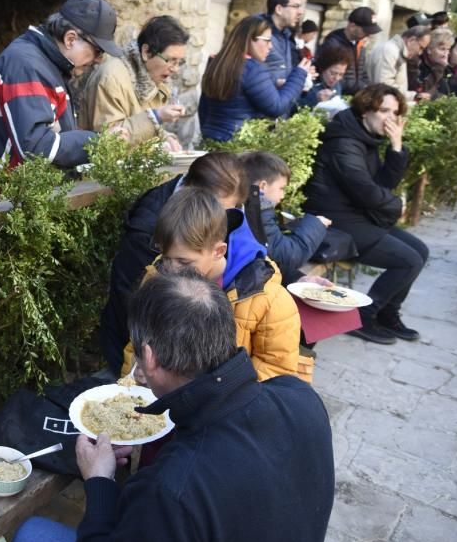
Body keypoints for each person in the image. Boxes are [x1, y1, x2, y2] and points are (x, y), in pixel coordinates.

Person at [9, 270, 335, 542]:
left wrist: (99, 482)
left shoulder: (170, 491)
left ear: (148, 358)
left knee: (30, 540)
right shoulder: (301, 398)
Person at [125, 187, 306, 383]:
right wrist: (136, 371)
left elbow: (276, 368)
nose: (171, 270)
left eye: (184, 262)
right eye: (166, 258)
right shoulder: (156, 277)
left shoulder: (268, 299)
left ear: (218, 251)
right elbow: (138, 342)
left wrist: (218, 392)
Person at [98, 152, 247, 375]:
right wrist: (138, 370)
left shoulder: (230, 214)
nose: (222, 221)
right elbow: (129, 306)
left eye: (229, 211)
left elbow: (257, 251)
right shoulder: (148, 233)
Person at [303, 84, 428, 344]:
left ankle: (387, 314)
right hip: (335, 220)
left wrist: (396, 147)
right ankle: (364, 317)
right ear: (365, 111)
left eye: (395, 112)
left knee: (421, 251)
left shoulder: (365, 137)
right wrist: (396, 206)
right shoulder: (344, 142)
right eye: (383, 110)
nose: (390, 118)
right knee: (408, 260)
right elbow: (365, 191)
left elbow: (381, 186)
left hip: (356, 215)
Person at [0, 0, 123, 169]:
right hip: (5, 192)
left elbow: (57, 133)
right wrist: (97, 142)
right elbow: (35, 148)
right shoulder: (26, 65)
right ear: (70, 39)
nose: (98, 60)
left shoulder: (51, 65)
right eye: (97, 50)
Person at [78, 15, 188, 149]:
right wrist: (156, 116)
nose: (175, 69)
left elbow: (141, 129)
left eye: (179, 62)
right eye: (170, 60)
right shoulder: (112, 77)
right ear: (146, 52)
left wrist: (166, 138)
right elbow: (109, 142)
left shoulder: (154, 79)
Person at [198, 15, 311, 142]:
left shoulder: (217, 63)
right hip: (238, 144)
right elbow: (276, 107)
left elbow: (204, 107)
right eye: (267, 40)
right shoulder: (252, 68)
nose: (271, 46)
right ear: (250, 40)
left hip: (211, 139)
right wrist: (299, 75)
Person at [241, 151, 330, 285]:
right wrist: (317, 224)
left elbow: (269, 258)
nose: (283, 195)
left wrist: (298, 278)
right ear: (262, 186)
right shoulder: (256, 210)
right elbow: (287, 256)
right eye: (281, 188)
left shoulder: (252, 206)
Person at [321, 6, 383, 95]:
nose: (368, 34)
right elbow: (331, 77)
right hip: (338, 94)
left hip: (355, 95)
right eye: (365, 31)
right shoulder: (333, 44)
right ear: (352, 26)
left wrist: (366, 87)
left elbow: (363, 72)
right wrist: (359, 87)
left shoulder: (359, 43)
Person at [365, 25, 432, 93]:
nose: (420, 53)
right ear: (411, 40)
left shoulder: (397, 52)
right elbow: (383, 87)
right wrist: (413, 96)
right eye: (421, 48)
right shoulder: (390, 51)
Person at [263, 0, 304, 89]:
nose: (300, 12)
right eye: (295, 6)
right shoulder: (257, 33)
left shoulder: (286, 34)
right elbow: (245, 70)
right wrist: (276, 82)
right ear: (279, 9)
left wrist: (302, 72)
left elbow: (283, 69)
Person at [301, 43, 354, 109]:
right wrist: (315, 99)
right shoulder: (308, 80)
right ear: (323, 68)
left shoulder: (337, 85)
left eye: (341, 74)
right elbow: (294, 105)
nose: (336, 78)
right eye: (333, 73)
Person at [414, 28, 454, 100]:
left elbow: (449, 90)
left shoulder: (440, 64)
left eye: (448, 49)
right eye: (442, 49)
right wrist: (439, 68)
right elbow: (422, 89)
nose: (446, 54)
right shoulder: (418, 64)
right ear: (429, 49)